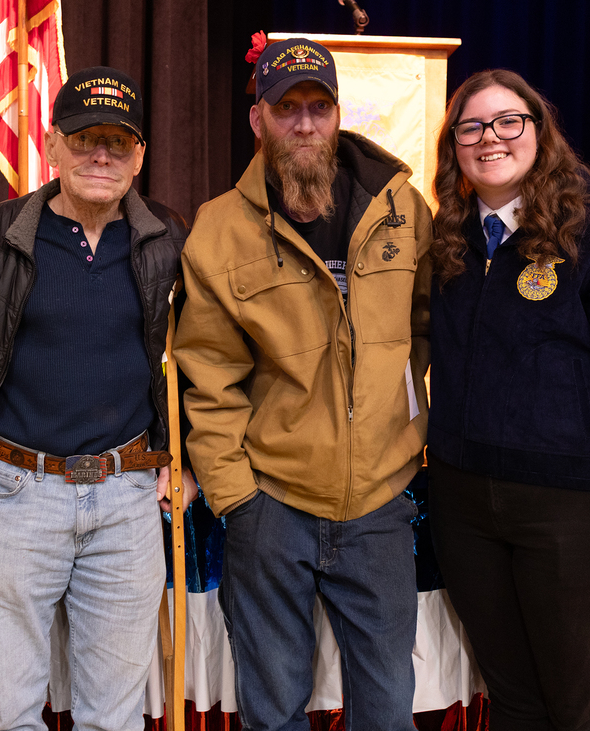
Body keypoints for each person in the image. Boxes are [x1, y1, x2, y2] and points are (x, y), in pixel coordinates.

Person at [0, 66, 194, 731]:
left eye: (118, 142)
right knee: (10, 711)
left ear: (139, 157)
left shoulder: (168, 238)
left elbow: (198, 362)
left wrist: (189, 462)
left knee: (115, 715)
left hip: (127, 493)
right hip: (15, 491)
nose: (102, 154)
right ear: (52, 144)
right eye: (85, 137)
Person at [174, 37, 433, 731]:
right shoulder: (218, 231)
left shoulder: (402, 208)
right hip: (272, 505)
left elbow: (431, 326)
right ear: (257, 120)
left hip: (378, 501)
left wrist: (404, 425)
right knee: (273, 710)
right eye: (287, 109)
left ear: (339, 113)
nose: (306, 124)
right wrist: (238, 499)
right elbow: (208, 374)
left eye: (319, 106)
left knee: (385, 713)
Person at [427, 68, 590, 731]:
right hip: (467, 514)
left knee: (580, 710)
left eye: (508, 121)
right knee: (513, 702)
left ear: (541, 132)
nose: (490, 138)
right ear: (452, 146)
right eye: (471, 126)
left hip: (574, 519)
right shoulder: (448, 246)